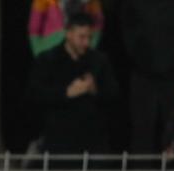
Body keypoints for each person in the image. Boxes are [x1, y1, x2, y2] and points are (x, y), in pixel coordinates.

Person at [26, 11, 119, 153]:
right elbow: (35, 94)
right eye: (81, 37)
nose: (86, 42)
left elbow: (113, 94)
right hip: (58, 141)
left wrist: (94, 90)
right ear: (68, 33)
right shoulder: (48, 60)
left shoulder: (99, 61)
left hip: (93, 141)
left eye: (89, 37)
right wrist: (66, 92)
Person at [121, 0, 174, 154]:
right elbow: (127, 30)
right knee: (142, 131)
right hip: (142, 74)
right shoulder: (134, 4)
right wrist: (141, 60)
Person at [28, 0, 103, 57]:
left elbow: (98, 23)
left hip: (80, 52)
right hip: (50, 46)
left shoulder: (91, 2)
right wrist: (38, 49)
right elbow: (34, 26)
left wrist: (91, 45)